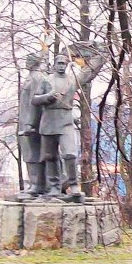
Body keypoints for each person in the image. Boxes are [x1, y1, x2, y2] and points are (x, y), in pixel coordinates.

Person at [33, 53, 80, 197]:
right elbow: (34, 100)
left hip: (65, 120)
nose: (61, 66)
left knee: (70, 153)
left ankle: (73, 184)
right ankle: (54, 185)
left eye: (63, 63)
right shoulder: (46, 80)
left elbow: (88, 73)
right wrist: (47, 97)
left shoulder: (72, 81)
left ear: (66, 65)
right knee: (50, 156)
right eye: (58, 63)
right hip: (49, 121)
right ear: (54, 65)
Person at [17, 52, 47, 197]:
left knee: (34, 154)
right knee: (29, 154)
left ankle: (37, 184)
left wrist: (31, 123)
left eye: (29, 60)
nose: (26, 62)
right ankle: (34, 183)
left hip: (31, 123)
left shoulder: (37, 78)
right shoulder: (30, 78)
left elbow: (35, 102)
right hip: (25, 121)